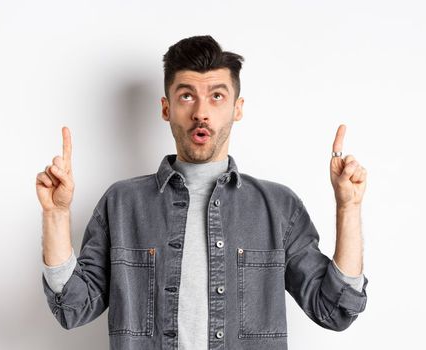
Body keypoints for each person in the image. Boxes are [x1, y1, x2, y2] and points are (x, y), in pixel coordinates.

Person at [35, 35, 369, 350]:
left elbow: (334, 310)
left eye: (216, 96)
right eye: (186, 96)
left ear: (237, 108)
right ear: (166, 108)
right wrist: (56, 215)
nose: (201, 112)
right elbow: (73, 308)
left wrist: (348, 208)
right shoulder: (122, 204)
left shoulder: (278, 207)